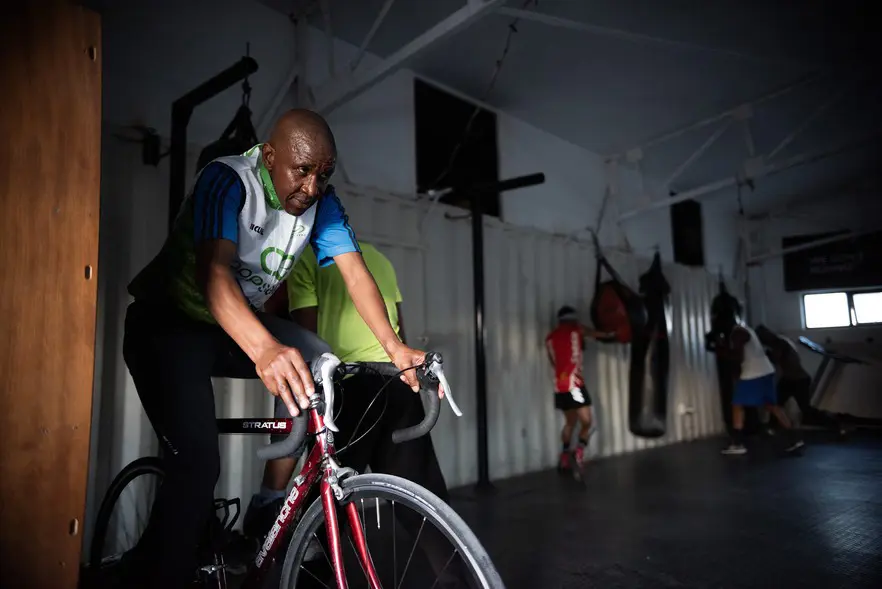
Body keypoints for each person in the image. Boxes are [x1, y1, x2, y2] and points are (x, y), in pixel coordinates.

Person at [121, 109, 429, 589]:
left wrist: (394, 347)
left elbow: (354, 272)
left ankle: (276, 501)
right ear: (269, 156)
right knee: (198, 467)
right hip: (168, 325)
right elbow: (214, 275)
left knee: (320, 359)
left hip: (227, 328)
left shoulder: (321, 204)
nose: (311, 188)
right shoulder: (228, 180)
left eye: (322, 175)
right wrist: (265, 347)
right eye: (301, 171)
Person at [242, 241, 449, 538]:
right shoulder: (378, 259)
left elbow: (307, 339)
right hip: (397, 383)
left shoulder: (304, 259)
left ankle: (271, 503)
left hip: (347, 389)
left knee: (324, 520)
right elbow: (398, 331)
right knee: (424, 508)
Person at [720, 319, 805, 455]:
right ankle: (795, 439)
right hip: (766, 371)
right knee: (771, 405)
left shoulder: (737, 333)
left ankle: (737, 443)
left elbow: (738, 356)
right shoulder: (747, 329)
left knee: (737, 405)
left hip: (752, 373)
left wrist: (719, 350)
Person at [545, 306, 610, 470]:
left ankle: (565, 456)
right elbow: (597, 334)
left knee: (569, 423)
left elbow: (554, 363)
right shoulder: (577, 330)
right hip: (575, 385)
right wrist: (613, 333)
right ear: (573, 319)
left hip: (560, 386)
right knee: (588, 423)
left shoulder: (550, 338)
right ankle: (579, 453)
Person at [755, 325, 845, 436]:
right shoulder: (781, 341)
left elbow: (775, 359)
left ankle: (836, 424)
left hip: (798, 380)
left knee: (806, 410)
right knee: (775, 404)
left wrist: (763, 354)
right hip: (789, 380)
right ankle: (773, 429)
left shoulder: (780, 343)